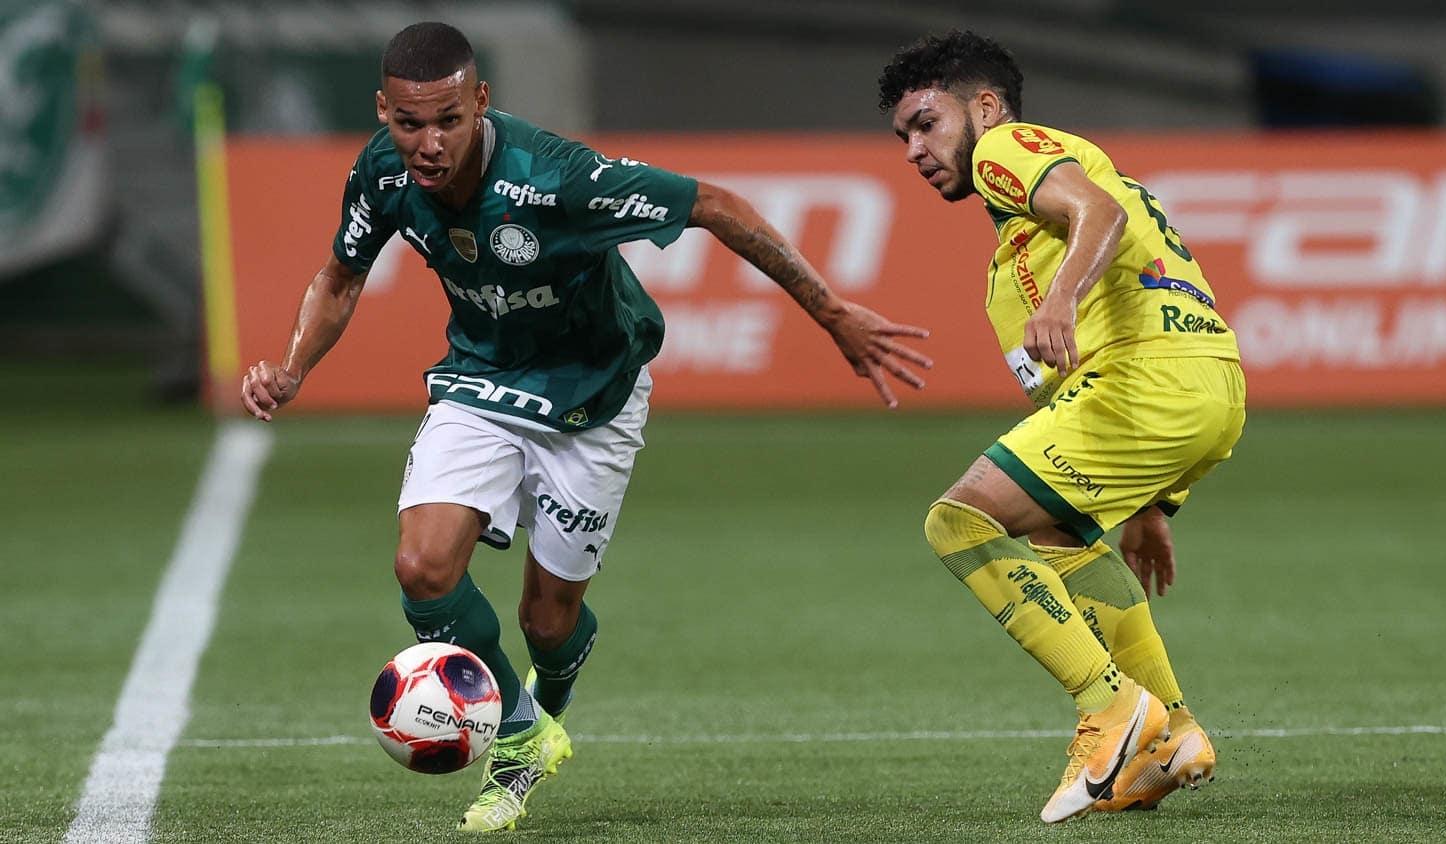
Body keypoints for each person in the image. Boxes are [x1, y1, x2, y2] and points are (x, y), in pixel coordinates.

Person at [241, 21, 931, 834]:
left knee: (548, 617)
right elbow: (340, 277)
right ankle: (522, 734)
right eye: (409, 123)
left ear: (481, 102)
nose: (428, 144)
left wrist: (831, 312)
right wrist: (292, 367)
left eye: (449, 121)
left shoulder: (557, 179)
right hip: (480, 382)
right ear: (384, 111)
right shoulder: (380, 171)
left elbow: (716, 204)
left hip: (594, 398)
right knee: (422, 568)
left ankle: (544, 705)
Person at [878, 31, 1245, 823]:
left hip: (1152, 376)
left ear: (983, 105)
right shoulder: (1010, 257)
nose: (914, 149)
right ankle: (1172, 732)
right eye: (903, 135)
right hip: (1202, 386)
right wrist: (1147, 504)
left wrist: (1060, 299)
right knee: (1055, 537)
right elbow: (1066, 378)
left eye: (925, 122)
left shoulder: (1008, 147)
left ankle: (1112, 712)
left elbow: (1098, 210)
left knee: (958, 520)